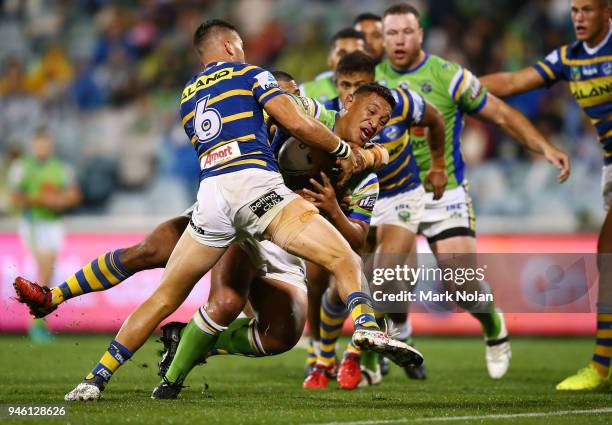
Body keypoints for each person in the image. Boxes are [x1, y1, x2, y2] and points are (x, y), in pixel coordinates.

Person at [28, 19, 418, 401]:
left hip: (215, 196)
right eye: (369, 112)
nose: (375, 123)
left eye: (382, 122)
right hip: (262, 197)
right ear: (231, 47)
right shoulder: (257, 78)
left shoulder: (187, 96)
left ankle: (95, 376)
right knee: (233, 284)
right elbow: (297, 119)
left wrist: (364, 165)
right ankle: (365, 323)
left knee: (172, 296)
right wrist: (349, 153)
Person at [376, 3, 572, 380]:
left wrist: (543, 146)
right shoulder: (372, 79)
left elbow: (499, 113)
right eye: (392, 34)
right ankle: (396, 338)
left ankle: (493, 325)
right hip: (393, 193)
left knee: (460, 284)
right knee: (388, 279)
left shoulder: (449, 77)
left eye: (406, 32)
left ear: (421, 35)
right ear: (383, 38)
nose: (399, 40)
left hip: (443, 193)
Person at [480, 0, 612, 391]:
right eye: (574, 11)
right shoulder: (570, 59)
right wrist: (459, 85)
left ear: (608, 12)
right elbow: (513, 82)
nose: (578, 18)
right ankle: (603, 364)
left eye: (588, 10)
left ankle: (601, 365)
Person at [304, 51, 447, 389]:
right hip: (355, 198)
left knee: (385, 279)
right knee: (345, 283)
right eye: (344, 85)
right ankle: (324, 358)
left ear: (375, 80)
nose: (348, 92)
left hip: (399, 195)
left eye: (358, 84)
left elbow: (436, 120)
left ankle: (357, 356)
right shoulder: (329, 114)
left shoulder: (400, 104)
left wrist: (438, 164)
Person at [8, 128, 81, 342]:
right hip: (33, 222)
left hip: (54, 224)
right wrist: (42, 200)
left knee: (47, 273)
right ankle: (37, 323)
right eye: (39, 143)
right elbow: (14, 198)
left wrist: (61, 201)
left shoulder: (61, 168)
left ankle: (38, 321)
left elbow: (74, 195)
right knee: (45, 269)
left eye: (46, 143)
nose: (42, 147)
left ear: (50, 145)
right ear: (34, 144)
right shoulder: (22, 168)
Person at [300, 28, 367, 103]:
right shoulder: (306, 93)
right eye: (342, 53)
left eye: (356, 54)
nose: (349, 59)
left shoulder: (379, 93)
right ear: (330, 58)